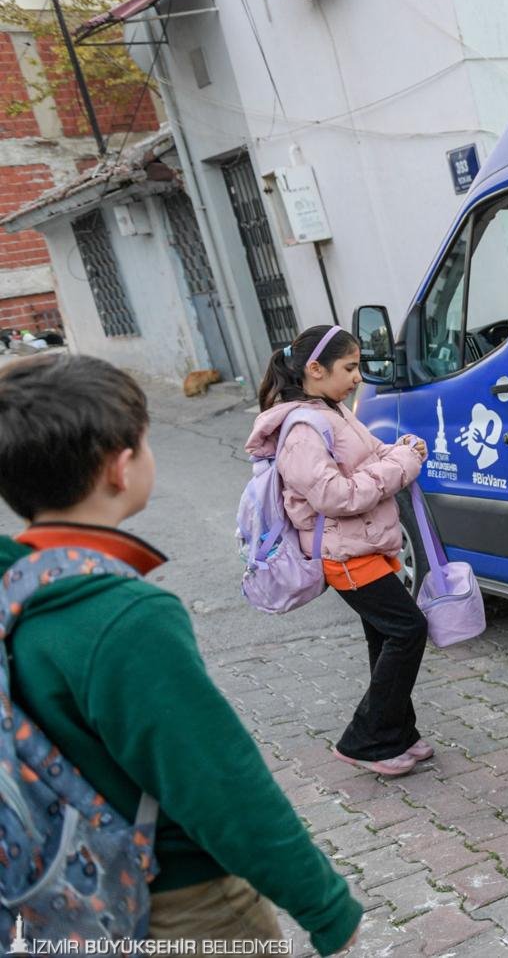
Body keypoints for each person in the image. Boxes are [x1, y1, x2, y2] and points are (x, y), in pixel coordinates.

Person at [0, 355, 361, 953]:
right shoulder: (123, 618)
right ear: (121, 468)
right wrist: (326, 908)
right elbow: (218, 781)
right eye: (145, 442)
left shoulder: (18, 591)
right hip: (183, 905)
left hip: (66, 897)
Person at [246, 324, 429, 777]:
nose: (358, 377)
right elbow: (337, 497)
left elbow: (370, 456)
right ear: (314, 369)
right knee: (407, 630)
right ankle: (365, 739)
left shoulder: (332, 411)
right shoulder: (303, 429)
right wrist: (402, 463)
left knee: (385, 635)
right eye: (349, 367)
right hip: (344, 554)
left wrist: (400, 449)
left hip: (365, 545)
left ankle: (396, 735)